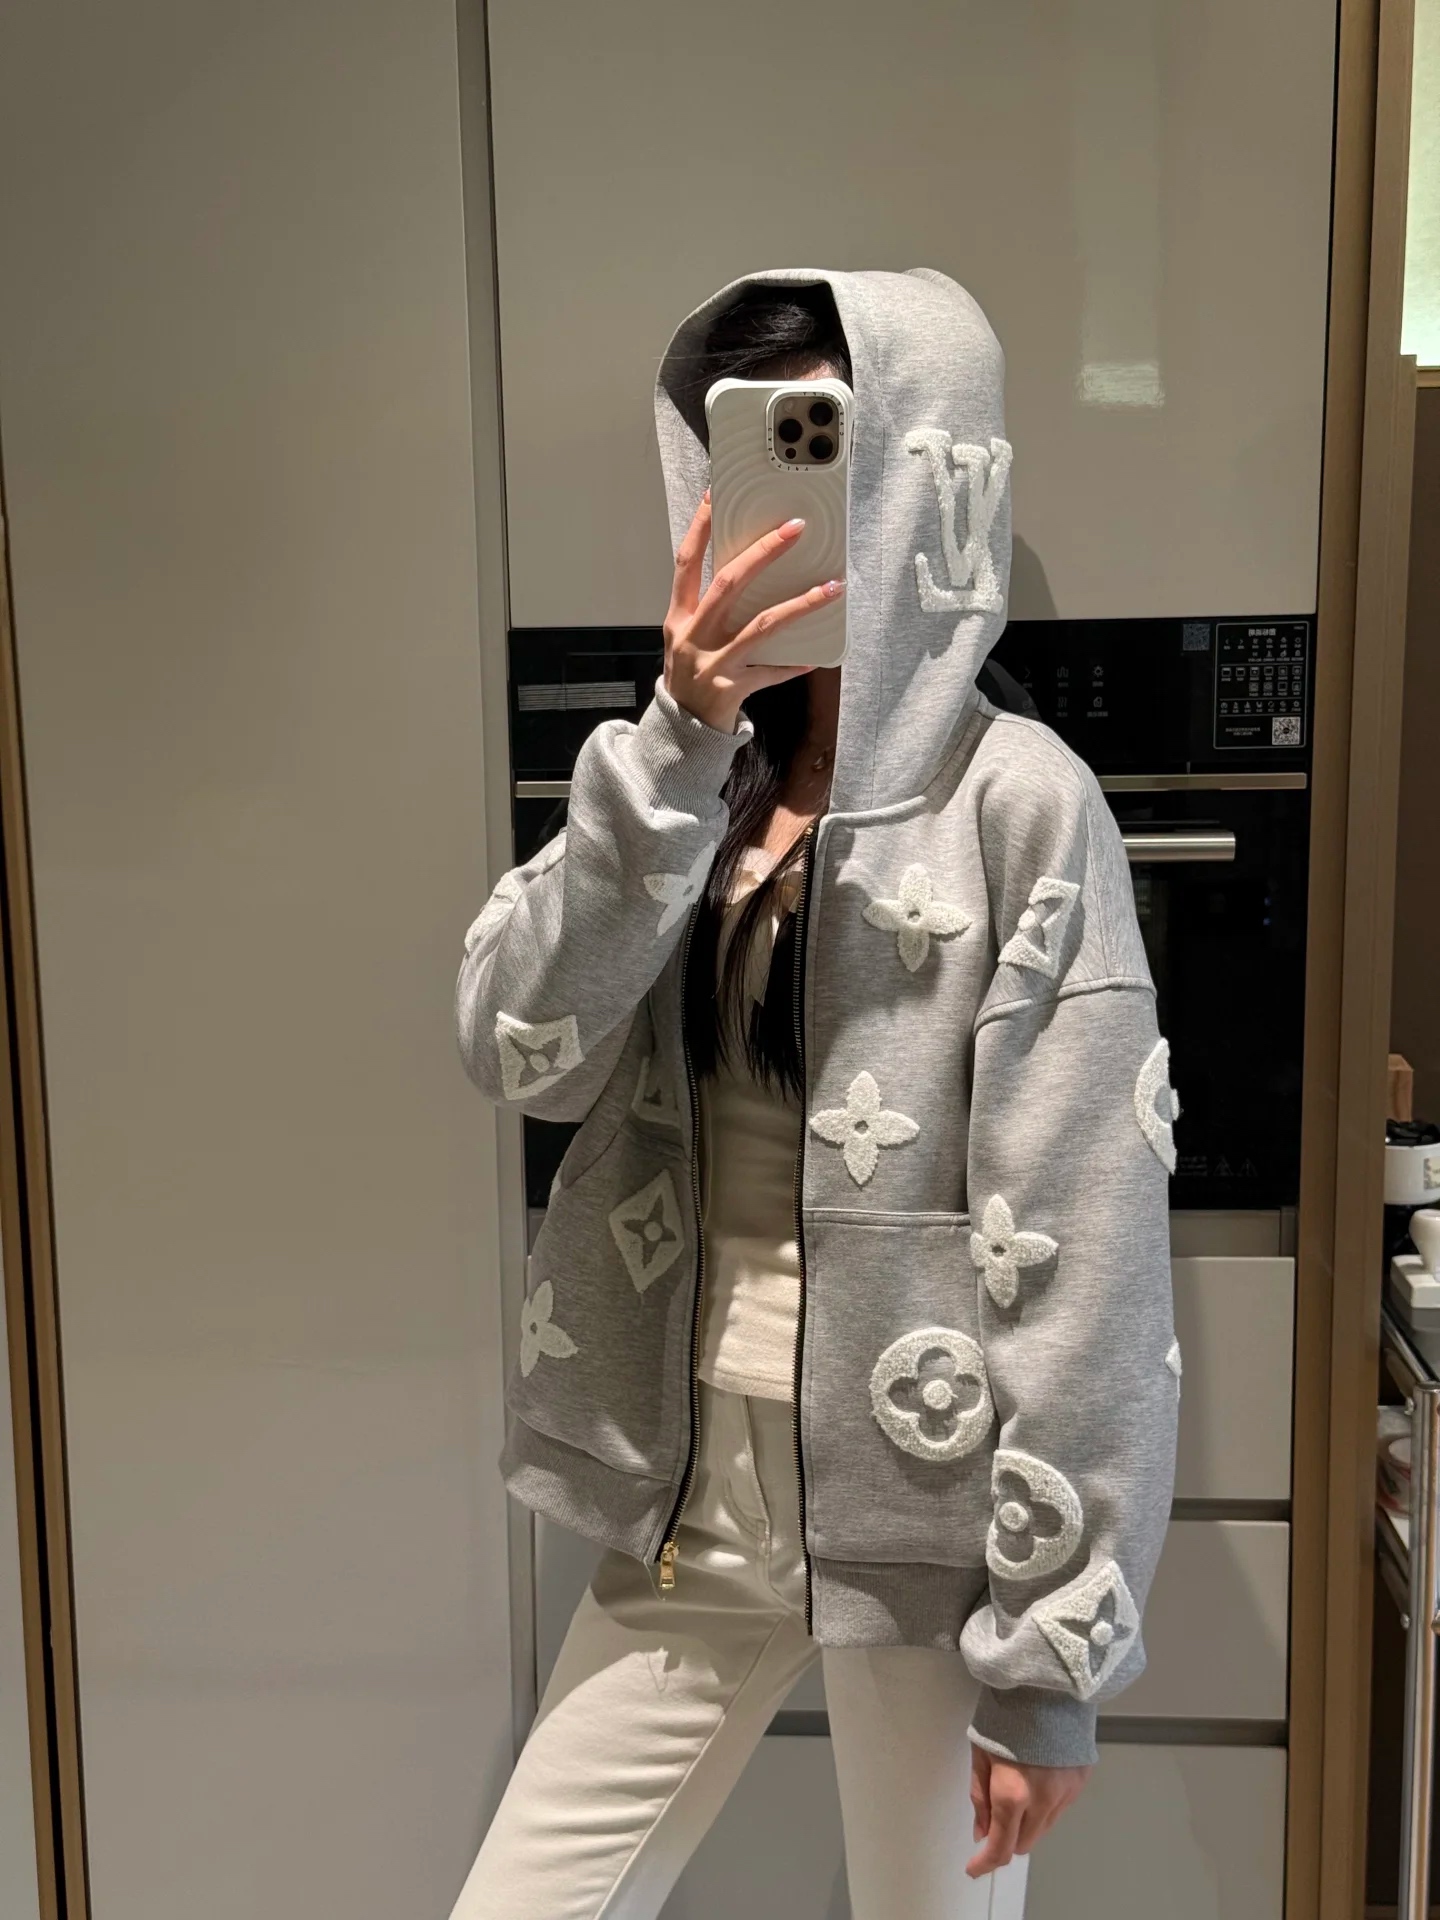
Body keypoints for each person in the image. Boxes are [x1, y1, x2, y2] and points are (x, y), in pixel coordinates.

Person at [451, 268, 1181, 1920]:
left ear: (929, 466)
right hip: (694, 1502)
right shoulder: (688, 779)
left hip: (926, 1524)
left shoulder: (1021, 804)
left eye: (831, 447)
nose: (780, 504)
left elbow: (1087, 1248)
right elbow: (515, 1047)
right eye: (745, 455)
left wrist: (1050, 1659)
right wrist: (672, 735)